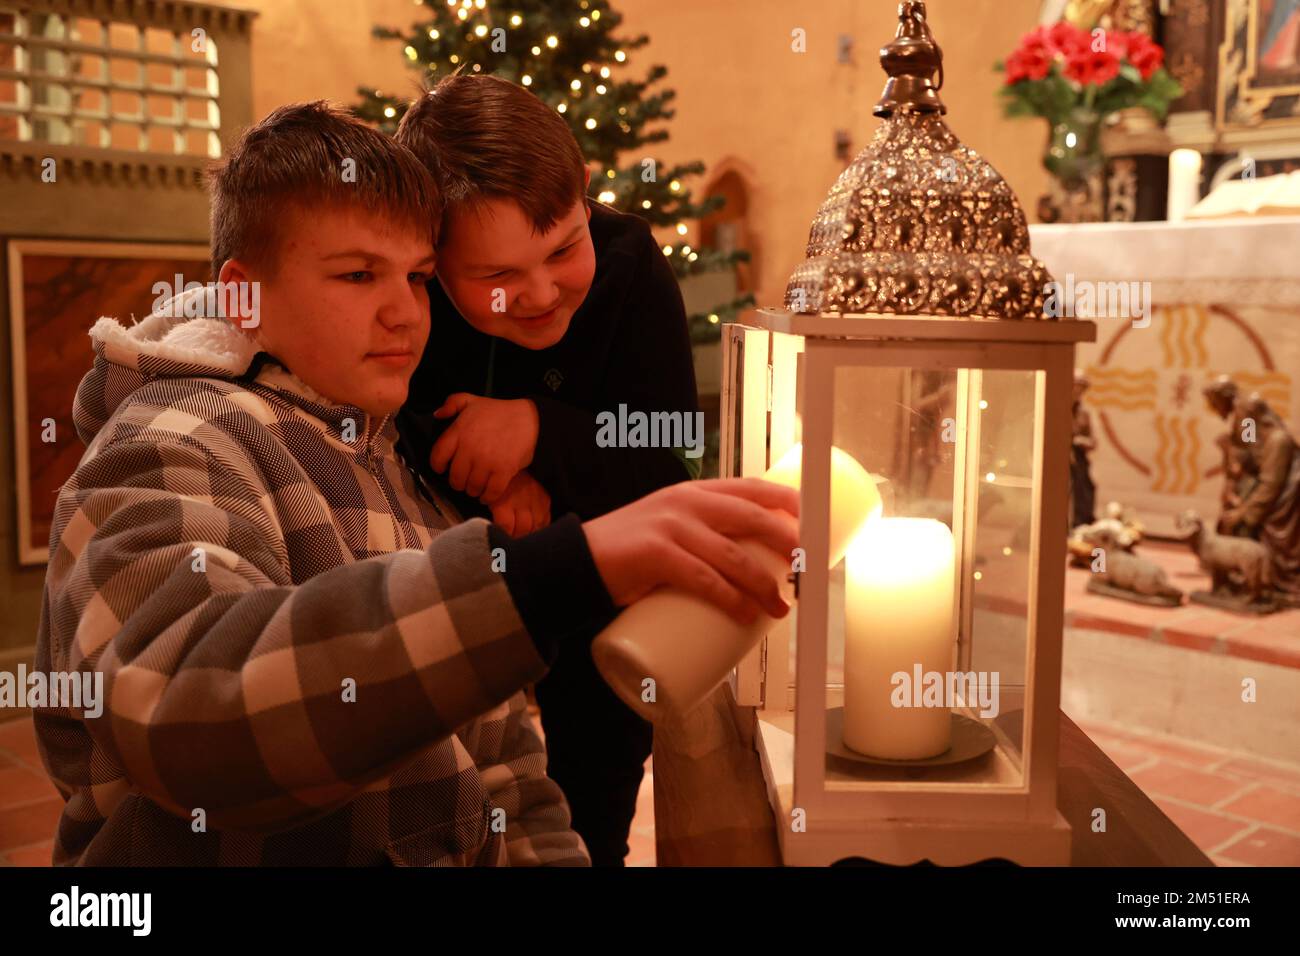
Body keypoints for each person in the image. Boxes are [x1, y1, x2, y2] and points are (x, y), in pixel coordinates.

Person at [33, 101, 798, 866]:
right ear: (242, 299)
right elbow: (184, 720)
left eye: (418, 278)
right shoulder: (173, 441)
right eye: (360, 275)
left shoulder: (391, 462)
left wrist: (543, 444)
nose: (406, 313)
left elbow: (506, 775)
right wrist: (541, 578)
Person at [394, 74, 701, 865]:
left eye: (564, 247)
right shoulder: (408, 292)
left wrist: (538, 431)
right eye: (496, 278)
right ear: (431, 256)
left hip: (605, 597)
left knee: (591, 803)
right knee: (443, 783)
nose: (538, 293)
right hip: (439, 584)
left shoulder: (630, 263)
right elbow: (391, 422)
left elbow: (666, 455)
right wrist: (493, 484)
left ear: (586, 196)